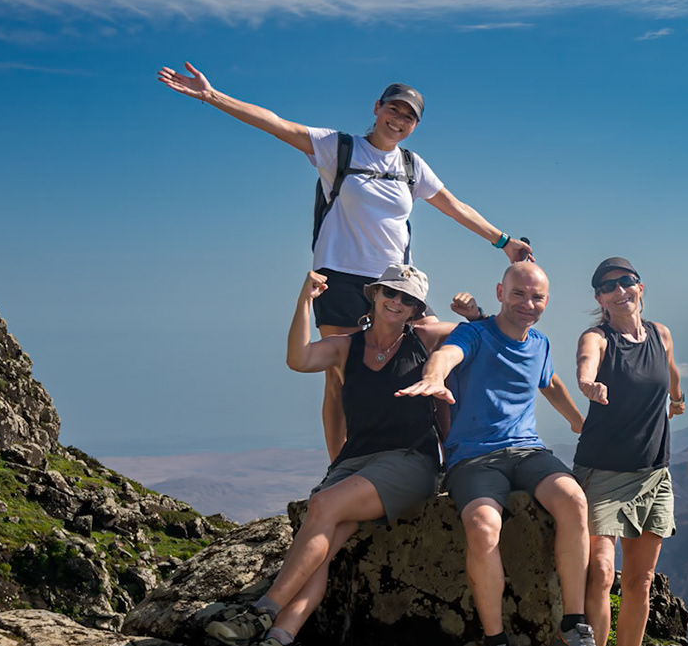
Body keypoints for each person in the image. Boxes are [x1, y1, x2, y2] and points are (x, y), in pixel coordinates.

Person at [155, 63, 532, 459]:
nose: (399, 120)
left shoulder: (411, 166)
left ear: (415, 125)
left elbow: (454, 206)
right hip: (338, 279)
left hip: (396, 283)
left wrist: (502, 241)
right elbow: (275, 124)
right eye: (394, 110)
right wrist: (212, 95)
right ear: (377, 107)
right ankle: (340, 466)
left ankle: (452, 456)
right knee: (338, 376)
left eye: (409, 117)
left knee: (434, 360)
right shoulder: (340, 148)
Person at [207, 264, 461, 646]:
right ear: (374, 295)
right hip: (357, 462)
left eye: (408, 299)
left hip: (410, 461)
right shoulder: (345, 347)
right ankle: (279, 641)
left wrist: (475, 312)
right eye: (391, 293)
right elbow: (298, 359)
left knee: (323, 507)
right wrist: (304, 302)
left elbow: (482, 334)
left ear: (417, 310)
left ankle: (262, 611)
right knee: (323, 546)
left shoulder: (425, 339)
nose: (397, 302)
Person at [396, 261, 616, 646]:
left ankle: (574, 627)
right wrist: (435, 377)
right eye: (519, 294)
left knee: (573, 500)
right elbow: (447, 355)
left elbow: (550, 382)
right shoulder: (475, 335)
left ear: (546, 302)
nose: (527, 304)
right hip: (474, 459)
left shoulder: (539, 344)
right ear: (500, 291)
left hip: (528, 452)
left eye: (536, 298)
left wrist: (579, 421)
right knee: (482, 526)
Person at [573, 258, 686, 646]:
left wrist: (677, 399)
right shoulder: (598, 338)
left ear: (641, 287)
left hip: (654, 473)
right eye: (608, 287)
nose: (619, 291)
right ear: (599, 299)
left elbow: (672, 371)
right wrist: (588, 385)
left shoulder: (661, 334)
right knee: (601, 572)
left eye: (626, 282)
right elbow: (586, 364)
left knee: (639, 579)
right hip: (603, 473)